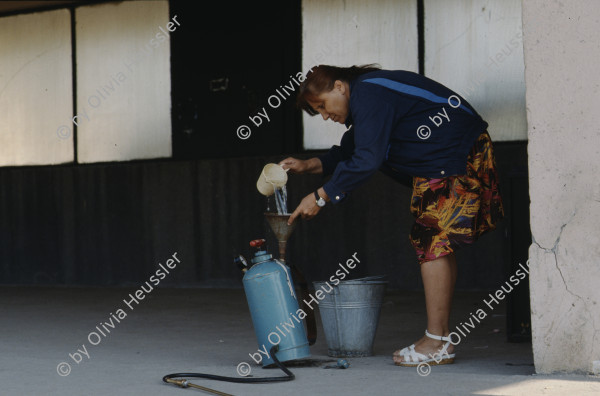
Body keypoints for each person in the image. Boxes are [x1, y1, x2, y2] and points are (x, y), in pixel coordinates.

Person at [279, 64, 504, 367]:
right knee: (435, 242)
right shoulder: (370, 99)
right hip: (449, 155)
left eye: (322, 105)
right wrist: (306, 166)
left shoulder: (370, 92)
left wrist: (320, 197)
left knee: (430, 239)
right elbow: (349, 153)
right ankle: (440, 340)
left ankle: (437, 341)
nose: (325, 115)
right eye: (317, 111)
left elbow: (367, 160)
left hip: (453, 153)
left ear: (340, 87)